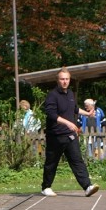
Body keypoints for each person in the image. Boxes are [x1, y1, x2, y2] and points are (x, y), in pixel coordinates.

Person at [41, 67, 99, 197]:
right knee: (51, 162)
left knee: (77, 160)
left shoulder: (70, 94)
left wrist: (88, 114)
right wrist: (68, 123)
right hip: (55, 135)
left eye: (67, 79)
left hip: (70, 135)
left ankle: (87, 186)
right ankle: (46, 187)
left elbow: (75, 109)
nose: (65, 81)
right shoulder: (52, 95)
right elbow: (51, 114)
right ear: (58, 80)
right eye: (62, 79)